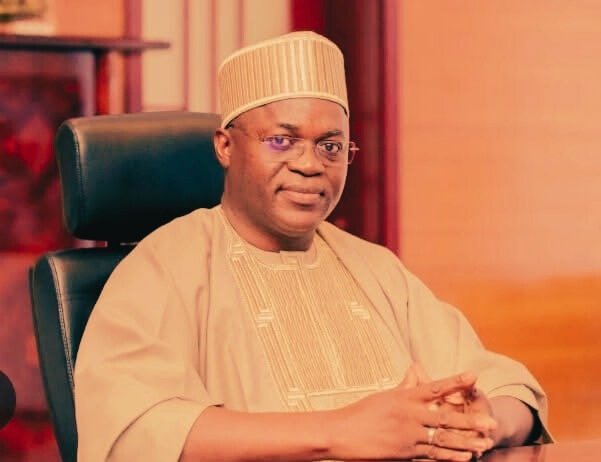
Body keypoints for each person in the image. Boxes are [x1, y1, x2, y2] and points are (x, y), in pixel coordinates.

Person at [74, 31, 549, 462]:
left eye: (330, 146)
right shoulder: (164, 265)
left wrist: (485, 420)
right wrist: (339, 433)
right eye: (282, 141)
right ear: (225, 146)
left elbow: (511, 389)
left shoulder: (374, 266)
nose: (310, 164)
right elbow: (136, 430)